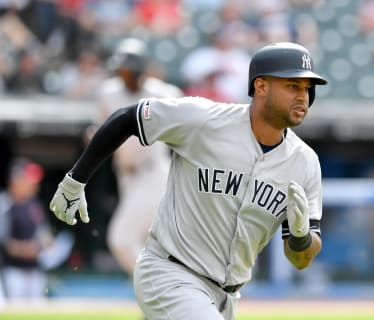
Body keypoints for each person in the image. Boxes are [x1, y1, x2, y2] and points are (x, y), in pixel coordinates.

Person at [49, 42, 327, 320]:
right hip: (170, 273)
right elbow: (126, 119)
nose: (303, 96)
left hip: (227, 297)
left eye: (307, 88)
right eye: (293, 85)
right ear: (261, 86)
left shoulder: (304, 163)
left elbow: (300, 260)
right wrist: (76, 180)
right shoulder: (205, 120)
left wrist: (302, 238)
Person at [94, 37, 183, 276]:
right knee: (145, 244)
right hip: (125, 175)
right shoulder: (108, 92)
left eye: (129, 70)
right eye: (121, 70)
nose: (124, 75)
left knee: (121, 239)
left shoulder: (163, 92)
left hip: (153, 172)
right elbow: (100, 128)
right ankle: (154, 305)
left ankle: (160, 287)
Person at [0, 158, 73, 299]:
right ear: (16, 180)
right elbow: (4, 242)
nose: (34, 185)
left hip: (35, 272)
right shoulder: (4, 204)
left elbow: (43, 232)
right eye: (29, 180)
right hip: (11, 274)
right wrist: (29, 250)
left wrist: (49, 244)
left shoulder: (33, 204)